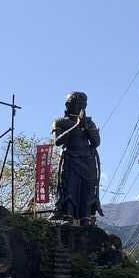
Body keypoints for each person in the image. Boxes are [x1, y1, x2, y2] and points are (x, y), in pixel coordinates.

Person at [51, 91, 103, 224]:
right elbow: (58, 141)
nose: (80, 107)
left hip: (88, 159)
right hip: (71, 158)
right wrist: (76, 126)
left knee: (88, 190)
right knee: (70, 188)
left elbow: (96, 142)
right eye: (77, 104)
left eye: (83, 104)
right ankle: (68, 217)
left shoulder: (89, 122)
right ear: (68, 105)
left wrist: (86, 126)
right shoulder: (60, 122)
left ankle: (86, 218)